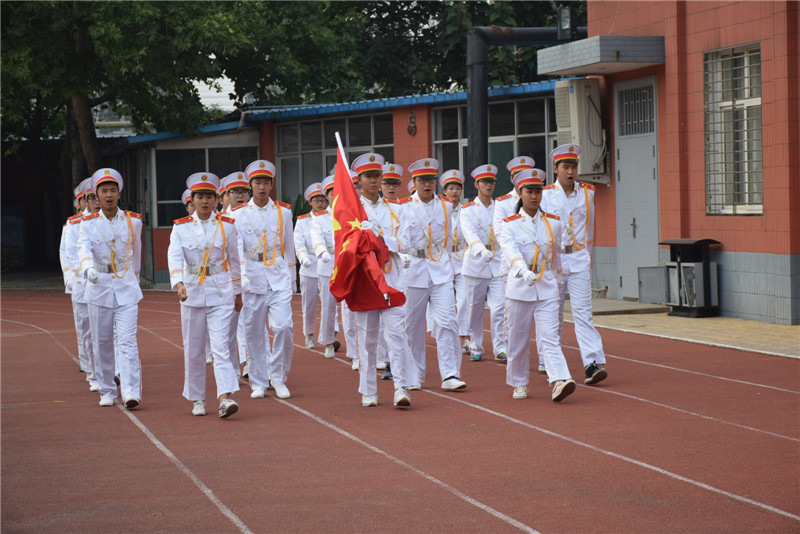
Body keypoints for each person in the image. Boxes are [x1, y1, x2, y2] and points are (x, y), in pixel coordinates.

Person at [168, 172, 242, 418]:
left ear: (216, 199)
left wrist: (238, 292)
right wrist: (178, 283)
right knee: (195, 349)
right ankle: (197, 398)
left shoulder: (228, 226)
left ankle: (224, 398)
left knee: (221, 347)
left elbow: (234, 261)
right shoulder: (180, 228)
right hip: (191, 293)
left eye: (209, 196)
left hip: (220, 291)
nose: (205, 201)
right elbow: (175, 258)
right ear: (192, 199)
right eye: (200, 196)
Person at [498, 168, 576, 402]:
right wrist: (523, 271)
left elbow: (556, 256)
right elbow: (510, 252)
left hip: (547, 287)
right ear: (519, 193)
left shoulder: (553, 222)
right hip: (520, 288)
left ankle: (559, 380)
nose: (534, 196)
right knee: (518, 339)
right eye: (529, 192)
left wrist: (558, 280)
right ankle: (519, 382)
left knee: (550, 336)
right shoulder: (509, 224)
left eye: (538, 191)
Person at [349, 152, 417, 407]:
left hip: (392, 278)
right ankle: (369, 390)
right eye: (369, 176)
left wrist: (380, 239)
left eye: (378, 175)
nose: (375, 181)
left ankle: (401, 387)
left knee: (397, 335)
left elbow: (407, 244)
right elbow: (345, 247)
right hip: (366, 282)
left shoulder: (397, 209)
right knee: (368, 339)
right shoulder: (352, 211)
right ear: (359, 180)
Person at [541, 144, 608, 385]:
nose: (571, 171)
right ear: (555, 169)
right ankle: (550, 361)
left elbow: (589, 228)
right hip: (555, 261)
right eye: (565, 167)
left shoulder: (588, 192)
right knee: (553, 313)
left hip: (578, 258)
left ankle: (591, 363)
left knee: (583, 313)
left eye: (574, 166)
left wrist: (587, 256)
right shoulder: (546, 195)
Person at [77, 168, 143, 408]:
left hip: (126, 287)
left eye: (112, 190)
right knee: (102, 342)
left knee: (127, 341)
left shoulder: (133, 221)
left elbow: (136, 255)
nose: (108, 195)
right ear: (96, 195)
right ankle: (107, 389)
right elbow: (83, 249)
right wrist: (87, 269)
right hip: (99, 287)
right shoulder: (88, 223)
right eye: (103, 191)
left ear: (119, 193)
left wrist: (134, 279)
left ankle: (131, 391)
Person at [231, 159, 296, 400]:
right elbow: (236, 250)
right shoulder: (238, 214)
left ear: (271, 185)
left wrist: (293, 279)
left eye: (266, 182)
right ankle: (258, 381)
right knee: (254, 332)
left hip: (278, 275)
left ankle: (278, 377)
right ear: (250, 185)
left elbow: (289, 247)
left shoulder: (284, 212)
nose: (261, 187)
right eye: (257, 182)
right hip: (253, 277)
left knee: (283, 327)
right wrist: (241, 278)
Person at [404, 158, 466, 391]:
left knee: (448, 321)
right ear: (415, 182)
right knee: (413, 325)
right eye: (422, 180)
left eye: (430, 180)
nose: (427, 184)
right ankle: (415, 373)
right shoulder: (404, 206)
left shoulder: (446, 205)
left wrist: (446, 262)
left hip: (440, 270)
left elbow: (450, 238)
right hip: (414, 269)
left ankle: (450, 374)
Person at [460, 164, 507, 362]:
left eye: (491, 182)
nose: (488, 185)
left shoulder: (501, 207)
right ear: (476, 184)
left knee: (499, 307)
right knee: (474, 307)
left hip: (497, 262)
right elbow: (469, 234)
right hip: (476, 263)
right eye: (485, 182)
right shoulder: (468, 210)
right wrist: (481, 250)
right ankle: (476, 344)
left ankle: (500, 347)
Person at [374, 163, 411, 379]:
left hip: (398, 269)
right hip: (374, 272)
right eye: (387, 183)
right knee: (377, 323)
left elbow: (407, 241)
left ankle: (393, 363)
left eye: (395, 184)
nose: (390, 187)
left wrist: (386, 242)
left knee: (397, 320)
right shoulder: (371, 210)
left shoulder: (402, 209)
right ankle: (384, 358)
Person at [63, 179, 99, 391]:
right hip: (82, 284)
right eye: (91, 198)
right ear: (84, 200)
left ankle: (106, 369)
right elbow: (68, 254)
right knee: (86, 329)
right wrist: (73, 277)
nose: (95, 202)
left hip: (103, 285)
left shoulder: (106, 222)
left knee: (104, 330)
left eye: (97, 197)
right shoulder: (74, 224)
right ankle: (90, 369)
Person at [220, 172, 252, 378]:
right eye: (235, 192)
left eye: (243, 191)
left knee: (250, 322)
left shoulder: (253, 215)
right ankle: (232, 368)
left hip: (249, 276)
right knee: (229, 327)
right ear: (226, 195)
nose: (240, 195)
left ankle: (250, 363)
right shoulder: (220, 219)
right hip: (225, 280)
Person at [310, 176, 343, 360]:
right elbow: (317, 237)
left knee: (350, 308)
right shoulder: (320, 218)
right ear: (327, 196)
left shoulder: (349, 214)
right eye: (332, 193)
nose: (335, 195)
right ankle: (329, 342)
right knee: (329, 306)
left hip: (347, 262)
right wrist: (322, 252)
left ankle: (355, 350)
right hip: (328, 263)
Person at [439, 169, 470, 354]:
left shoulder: (466, 210)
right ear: (444, 191)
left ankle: (465, 336)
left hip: (462, 257)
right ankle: (447, 335)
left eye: (457, 188)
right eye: (450, 188)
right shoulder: (440, 208)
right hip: (443, 258)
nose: (454, 192)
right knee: (447, 301)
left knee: (465, 299)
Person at [295, 182, 325, 351]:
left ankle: (331, 334)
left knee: (330, 303)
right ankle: (309, 334)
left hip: (327, 265)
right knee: (309, 304)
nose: (320, 203)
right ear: (310, 203)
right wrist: (303, 258)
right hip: (310, 265)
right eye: (317, 200)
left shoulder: (330, 218)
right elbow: (299, 243)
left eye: (323, 200)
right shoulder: (303, 222)